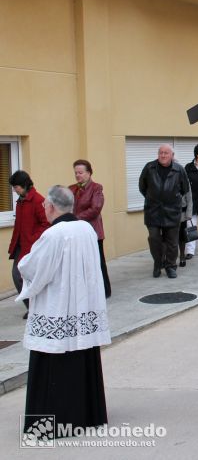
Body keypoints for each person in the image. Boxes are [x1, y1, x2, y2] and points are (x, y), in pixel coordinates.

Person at [18, 185, 110, 437]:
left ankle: (52, 424)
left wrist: (23, 264)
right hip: (81, 308)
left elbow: (35, 269)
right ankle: (88, 416)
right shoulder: (86, 229)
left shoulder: (53, 235)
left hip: (58, 308)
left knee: (53, 362)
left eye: (45, 206)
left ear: (51, 206)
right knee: (82, 359)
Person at [139, 144, 190, 278]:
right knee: (154, 238)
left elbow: (185, 188)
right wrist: (153, 198)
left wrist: (172, 199)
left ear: (172, 155)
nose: (163, 155)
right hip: (153, 210)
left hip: (172, 211)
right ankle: (157, 263)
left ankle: (170, 266)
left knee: (172, 241)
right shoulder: (149, 167)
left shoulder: (179, 170)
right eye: (161, 153)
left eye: (166, 153)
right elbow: (142, 186)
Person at [8, 171, 50, 319]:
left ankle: (37, 308)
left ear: (25, 185)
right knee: (17, 276)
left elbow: (46, 223)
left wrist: (33, 239)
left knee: (28, 278)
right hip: (20, 246)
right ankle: (31, 307)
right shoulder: (20, 201)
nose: (14, 190)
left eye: (16, 186)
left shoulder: (38, 200)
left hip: (32, 247)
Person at [69, 160, 111, 298]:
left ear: (89, 173)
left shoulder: (96, 188)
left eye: (80, 172)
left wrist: (75, 218)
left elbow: (95, 208)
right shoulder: (72, 189)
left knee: (98, 262)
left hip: (93, 232)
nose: (77, 175)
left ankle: (105, 290)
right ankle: (87, 290)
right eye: (76, 173)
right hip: (76, 232)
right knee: (81, 263)